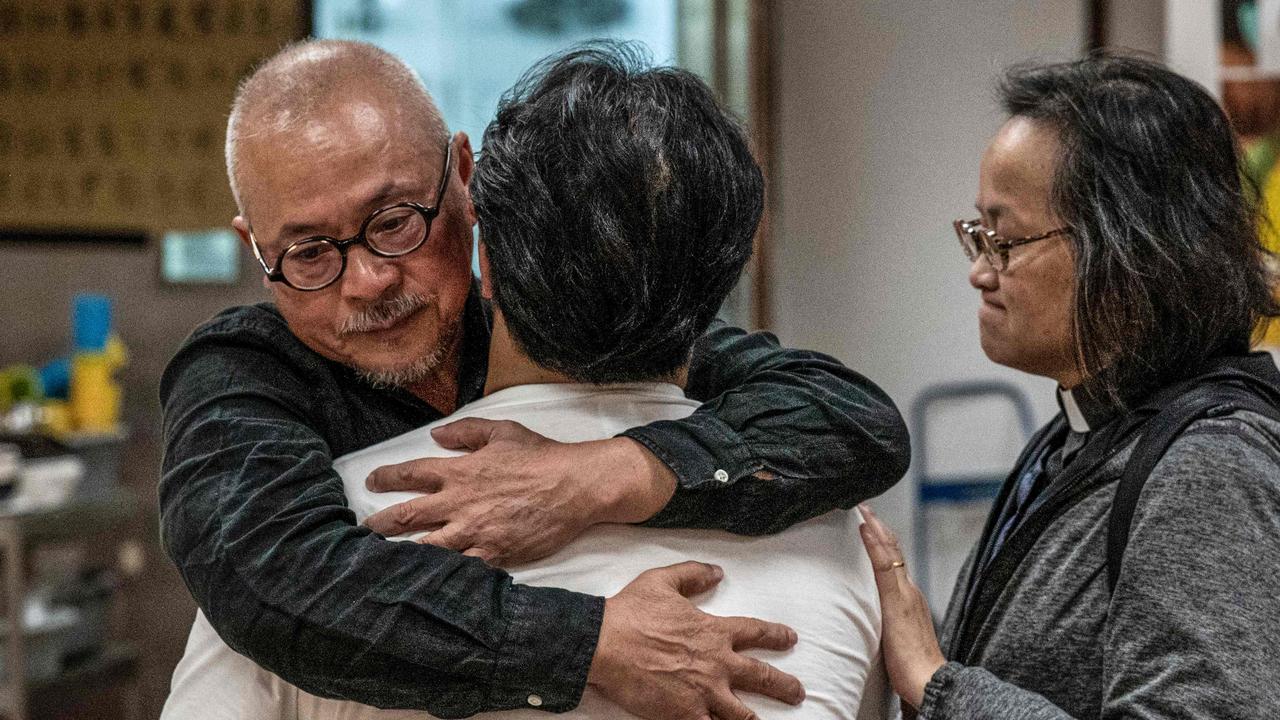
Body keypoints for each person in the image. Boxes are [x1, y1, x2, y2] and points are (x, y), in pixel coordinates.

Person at [158, 39, 910, 718]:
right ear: (255, 251)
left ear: (464, 183)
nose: (368, 281)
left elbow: (852, 418)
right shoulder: (244, 376)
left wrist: (609, 473)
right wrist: (590, 643)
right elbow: (267, 576)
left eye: (393, 222)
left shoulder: (554, 305)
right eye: (311, 253)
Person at [861, 54, 1280, 718]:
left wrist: (937, 684)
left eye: (1006, 239)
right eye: (979, 235)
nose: (980, 272)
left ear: (1131, 248)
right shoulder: (1081, 428)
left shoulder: (1210, 466)